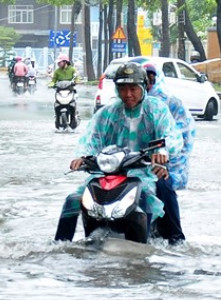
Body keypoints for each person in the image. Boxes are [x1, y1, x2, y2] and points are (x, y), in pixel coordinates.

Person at [54, 62, 183, 242]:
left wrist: (162, 150)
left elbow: (171, 135)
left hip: (147, 171)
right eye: (122, 88)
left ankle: (175, 240)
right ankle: (60, 246)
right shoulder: (107, 113)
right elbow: (90, 138)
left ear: (144, 87)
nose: (128, 94)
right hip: (110, 172)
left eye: (133, 88)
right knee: (74, 199)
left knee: (161, 188)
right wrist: (81, 156)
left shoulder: (156, 109)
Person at [143, 62, 196, 245]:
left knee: (163, 184)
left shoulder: (168, 104)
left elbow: (178, 134)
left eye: (150, 80)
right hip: (129, 162)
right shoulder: (117, 109)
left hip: (160, 161)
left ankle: (175, 237)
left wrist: (164, 150)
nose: (147, 85)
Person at [48, 54, 81, 129]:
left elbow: (77, 77)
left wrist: (77, 81)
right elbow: (54, 80)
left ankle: (75, 116)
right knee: (56, 104)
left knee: (74, 101)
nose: (58, 64)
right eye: (58, 62)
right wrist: (51, 84)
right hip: (60, 91)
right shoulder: (57, 71)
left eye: (60, 62)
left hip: (70, 90)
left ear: (65, 62)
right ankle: (57, 118)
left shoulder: (72, 69)